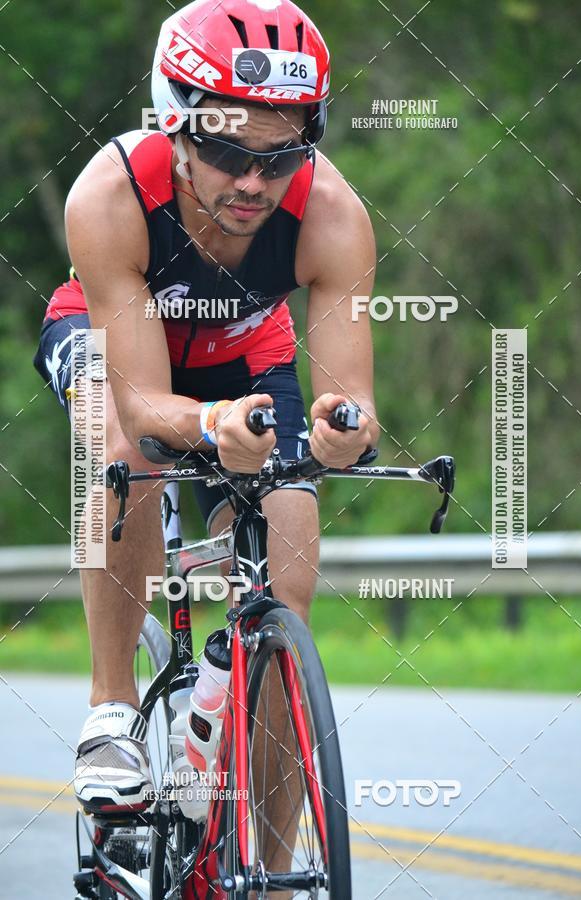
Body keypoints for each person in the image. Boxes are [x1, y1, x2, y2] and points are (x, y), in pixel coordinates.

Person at [33, 0, 378, 869]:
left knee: (288, 542)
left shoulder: (333, 213)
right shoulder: (108, 196)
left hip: (244, 354)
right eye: (226, 152)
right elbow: (147, 404)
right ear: (175, 123)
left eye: (281, 155)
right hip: (114, 344)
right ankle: (112, 708)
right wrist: (208, 425)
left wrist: (346, 433)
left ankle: (267, 860)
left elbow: (352, 402)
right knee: (112, 438)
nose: (254, 184)